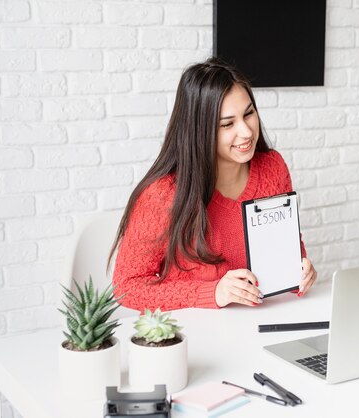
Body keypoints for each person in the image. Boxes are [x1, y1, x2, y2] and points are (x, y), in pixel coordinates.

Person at [109, 57, 317, 311]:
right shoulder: (163, 193)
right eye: (227, 124)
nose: (247, 131)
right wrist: (213, 293)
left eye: (249, 113)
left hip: (262, 322)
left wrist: (301, 268)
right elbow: (128, 286)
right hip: (198, 335)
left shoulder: (272, 167)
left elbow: (287, 247)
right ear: (200, 130)